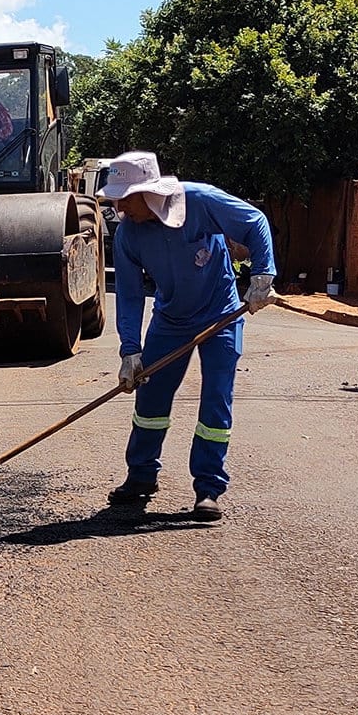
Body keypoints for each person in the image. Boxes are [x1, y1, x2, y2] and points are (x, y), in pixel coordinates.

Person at [101, 151, 276, 522]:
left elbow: (254, 222)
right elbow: (129, 297)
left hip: (222, 316)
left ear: (149, 192)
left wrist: (262, 276)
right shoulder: (128, 234)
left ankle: (209, 488)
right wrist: (130, 351)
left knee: (215, 401)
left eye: (124, 197)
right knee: (150, 400)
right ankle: (141, 476)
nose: (118, 206)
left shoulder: (199, 201)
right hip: (170, 321)